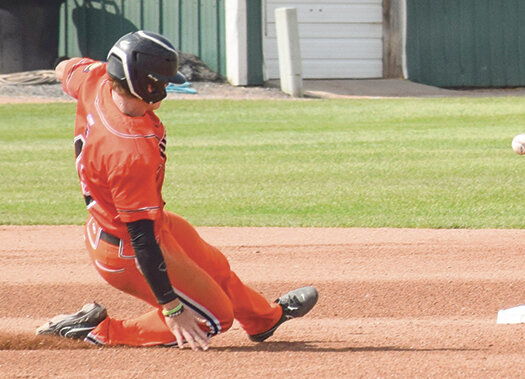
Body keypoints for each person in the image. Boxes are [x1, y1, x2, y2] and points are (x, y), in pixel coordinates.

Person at [35, 30, 318, 350]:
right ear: (145, 84)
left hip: (143, 224)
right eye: (163, 81)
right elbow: (142, 243)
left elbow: (65, 68)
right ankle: (98, 331)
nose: (168, 86)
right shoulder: (130, 152)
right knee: (215, 318)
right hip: (127, 248)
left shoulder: (97, 77)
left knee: (215, 267)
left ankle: (263, 319)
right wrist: (171, 308)